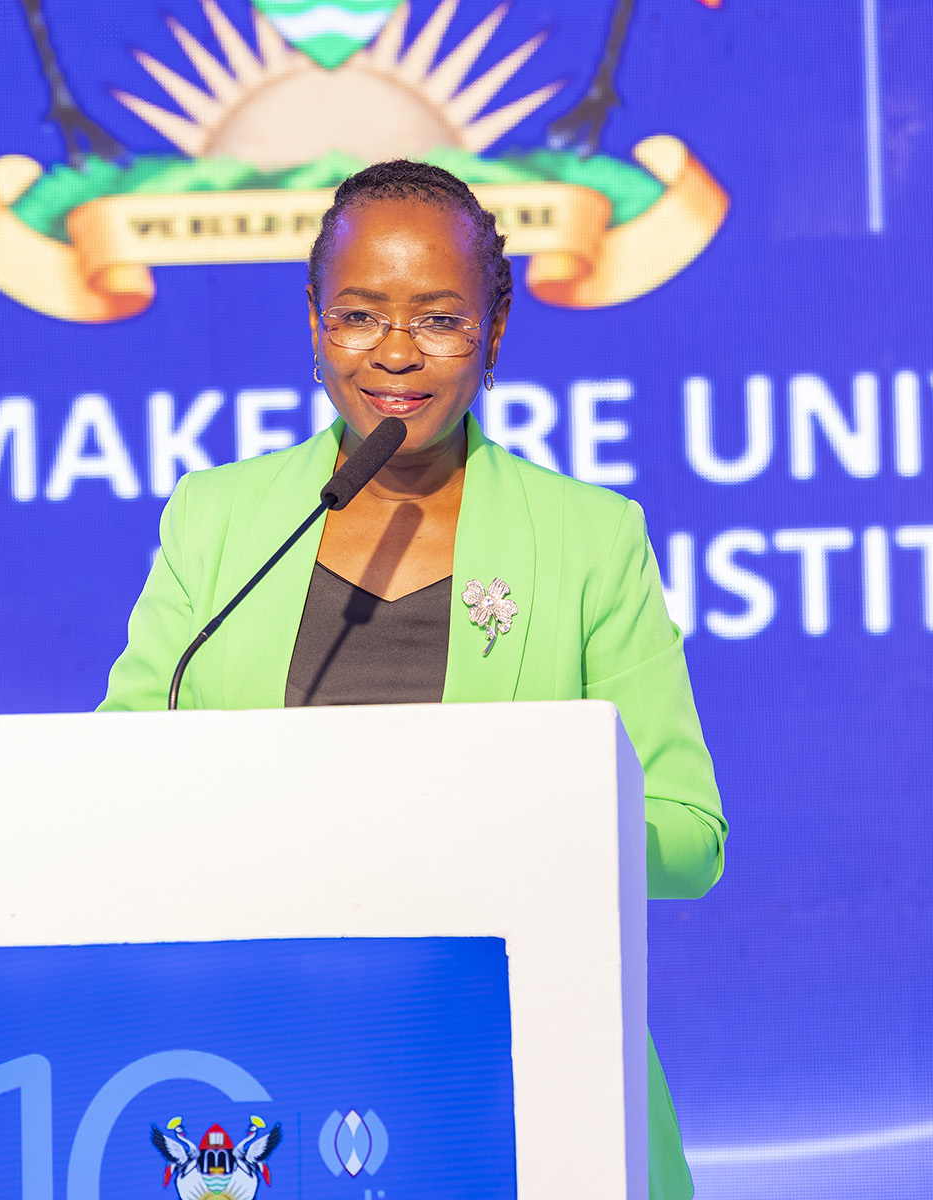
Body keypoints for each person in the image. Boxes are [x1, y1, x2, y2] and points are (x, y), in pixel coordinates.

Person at [99, 159, 726, 1199]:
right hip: (263, 1070)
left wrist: (528, 819)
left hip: (512, 1071)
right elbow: (114, 783)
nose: (395, 352)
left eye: (439, 319)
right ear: (313, 324)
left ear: (497, 329)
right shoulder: (219, 521)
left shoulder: (589, 539)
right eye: (358, 316)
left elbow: (688, 837)